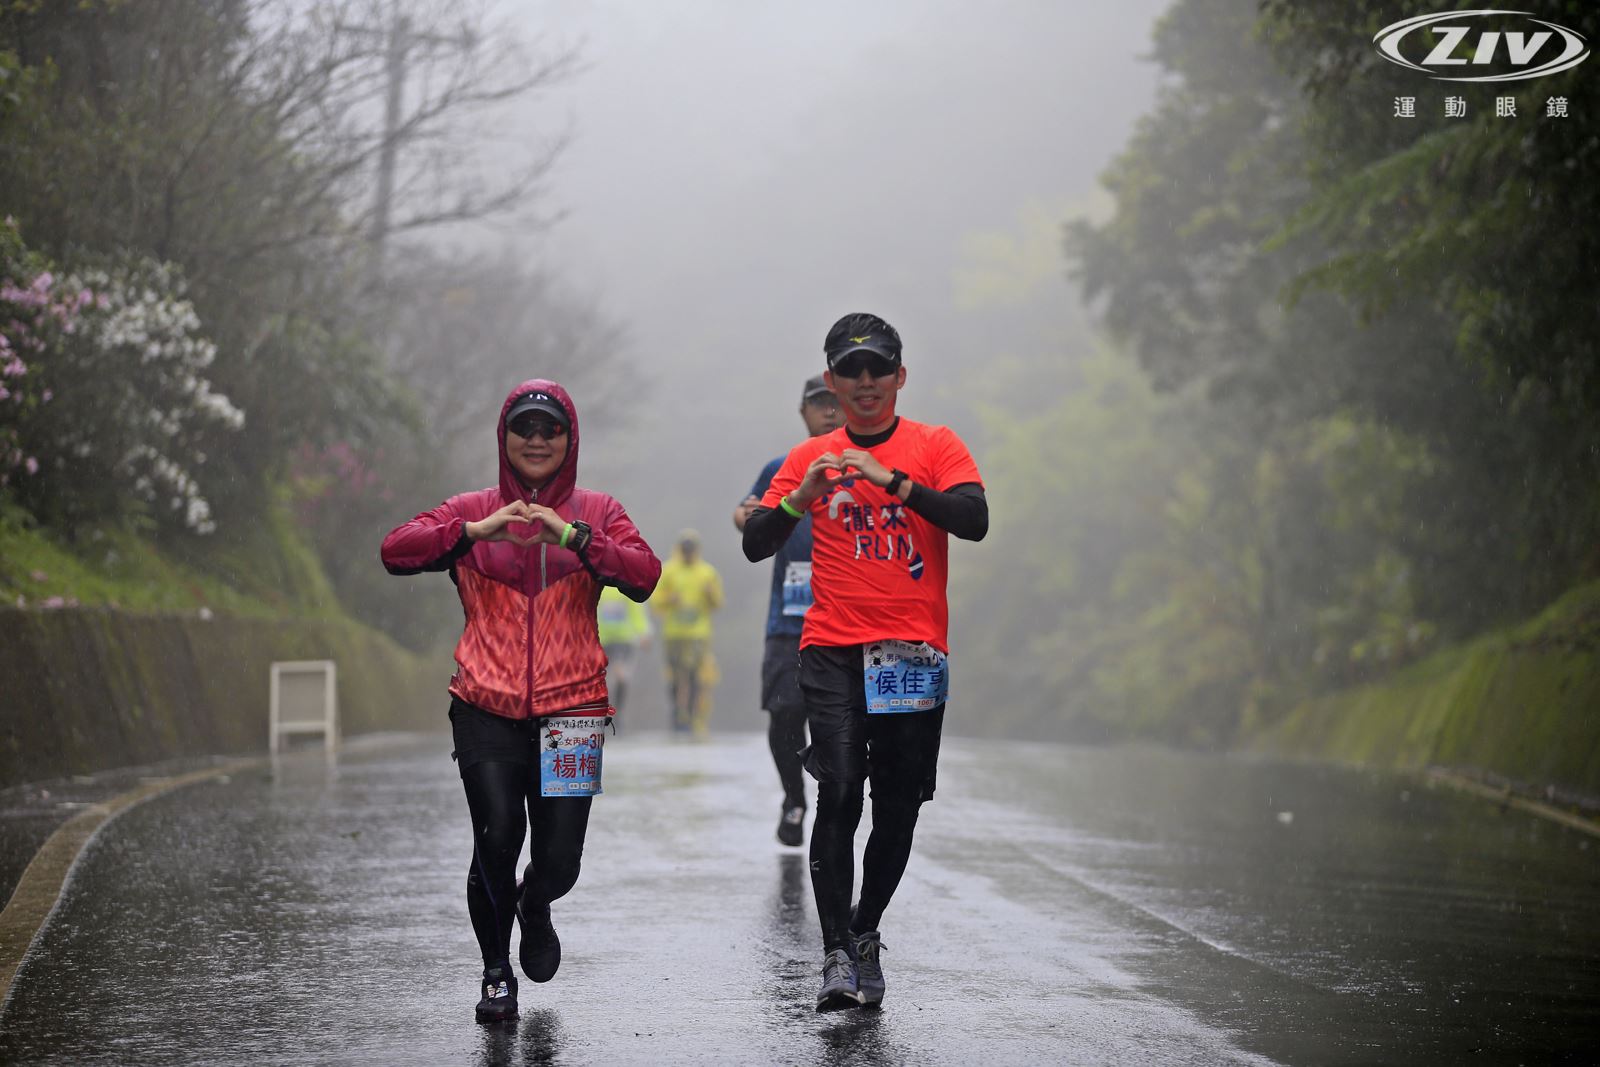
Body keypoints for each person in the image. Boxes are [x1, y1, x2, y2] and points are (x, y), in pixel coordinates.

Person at [380, 380, 660, 1024]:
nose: (537, 440)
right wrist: (475, 530)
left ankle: (537, 904)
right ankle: (496, 971)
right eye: (525, 429)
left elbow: (645, 577)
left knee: (559, 860)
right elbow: (395, 551)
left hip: (573, 712)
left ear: (570, 440)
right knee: (496, 835)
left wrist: (575, 536)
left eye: (551, 430)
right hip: (484, 703)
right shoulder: (471, 510)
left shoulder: (599, 511)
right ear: (504, 439)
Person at [742, 313, 988, 1012]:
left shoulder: (934, 444)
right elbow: (757, 541)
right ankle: (835, 956)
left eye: (878, 368)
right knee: (840, 789)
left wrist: (895, 482)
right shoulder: (810, 456)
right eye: (850, 371)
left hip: (911, 651)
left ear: (900, 377)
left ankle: (865, 927)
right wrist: (802, 495)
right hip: (832, 648)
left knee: (898, 807)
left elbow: (974, 519)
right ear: (832, 381)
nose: (865, 381)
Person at [734, 375, 842, 846]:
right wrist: (751, 516)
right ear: (804, 413)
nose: (830, 412)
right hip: (790, 619)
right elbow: (745, 514)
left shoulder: (866, 467)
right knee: (784, 715)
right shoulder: (783, 467)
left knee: (840, 723)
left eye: (836, 403)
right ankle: (794, 797)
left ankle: (835, 809)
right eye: (820, 404)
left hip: (849, 621)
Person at [652, 529, 723, 734]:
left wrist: (710, 595)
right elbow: (655, 600)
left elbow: (718, 603)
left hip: (698, 633)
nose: (688, 553)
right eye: (685, 549)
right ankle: (676, 712)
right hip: (674, 633)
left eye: (691, 550)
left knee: (694, 675)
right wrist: (669, 600)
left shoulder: (707, 573)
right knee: (675, 675)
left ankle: (691, 716)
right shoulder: (668, 570)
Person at [597, 584, 652, 717]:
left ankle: (617, 712)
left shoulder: (626, 586)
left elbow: (636, 611)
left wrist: (643, 632)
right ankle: (603, 711)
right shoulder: (598, 587)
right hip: (602, 639)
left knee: (621, 675)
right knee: (603, 678)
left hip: (624, 639)